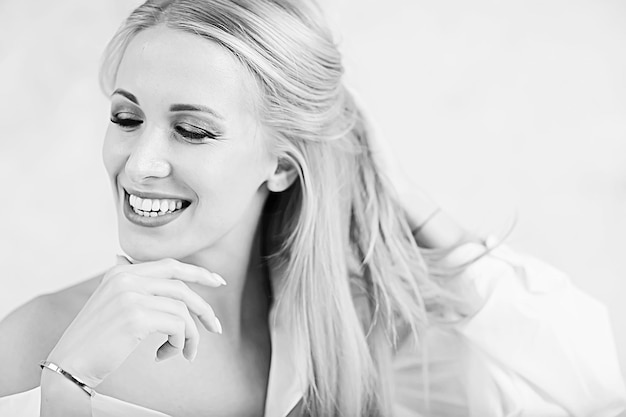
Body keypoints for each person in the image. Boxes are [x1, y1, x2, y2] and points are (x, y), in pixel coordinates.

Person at [0, 0, 625, 416]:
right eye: (126, 117)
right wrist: (67, 384)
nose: (138, 163)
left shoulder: (352, 335)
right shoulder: (39, 337)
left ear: (280, 165)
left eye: (192, 130)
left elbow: (586, 380)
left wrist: (395, 188)